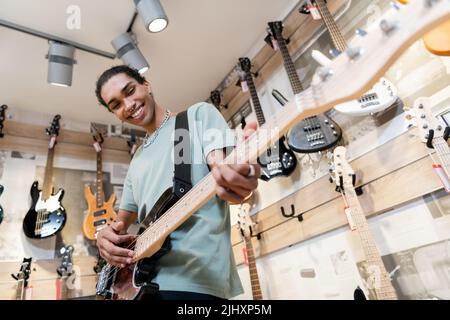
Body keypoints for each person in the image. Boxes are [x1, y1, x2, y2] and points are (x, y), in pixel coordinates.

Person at [94, 65, 260, 300]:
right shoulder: (137, 160)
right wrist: (104, 236)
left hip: (197, 282)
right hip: (142, 286)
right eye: (117, 105)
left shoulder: (195, 118)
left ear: (146, 84)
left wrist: (237, 177)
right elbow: (121, 223)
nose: (128, 105)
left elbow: (224, 171)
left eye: (130, 91)